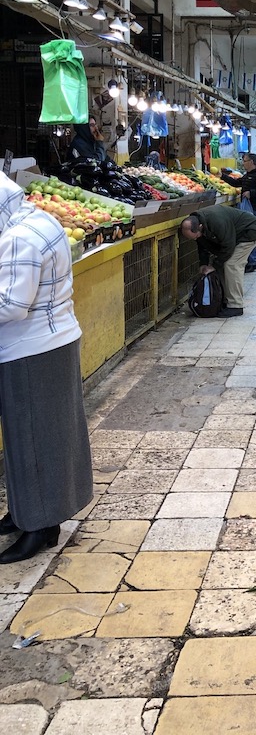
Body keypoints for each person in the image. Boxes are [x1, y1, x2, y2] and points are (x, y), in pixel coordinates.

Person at [0, 171, 93, 564]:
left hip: (29, 349)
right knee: (44, 436)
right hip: (52, 341)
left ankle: (40, 527)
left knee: (32, 438)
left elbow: (11, 305)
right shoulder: (40, 218)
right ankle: (27, 512)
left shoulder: (18, 237)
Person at [180, 205, 256, 317]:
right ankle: (224, 300)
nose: (195, 239)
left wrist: (214, 265)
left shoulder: (217, 222)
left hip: (250, 232)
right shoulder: (198, 223)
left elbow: (228, 247)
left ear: (200, 227)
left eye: (196, 236)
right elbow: (202, 244)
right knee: (222, 264)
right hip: (234, 236)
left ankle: (235, 305)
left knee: (232, 264)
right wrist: (203, 264)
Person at [220, 153, 256, 273]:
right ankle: (251, 261)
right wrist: (222, 176)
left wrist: (251, 193)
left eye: (245, 161)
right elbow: (237, 183)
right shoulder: (248, 175)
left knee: (250, 234)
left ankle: (253, 261)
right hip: (249, 208)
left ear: (252, 162)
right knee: (248, 233)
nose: (243, 163)